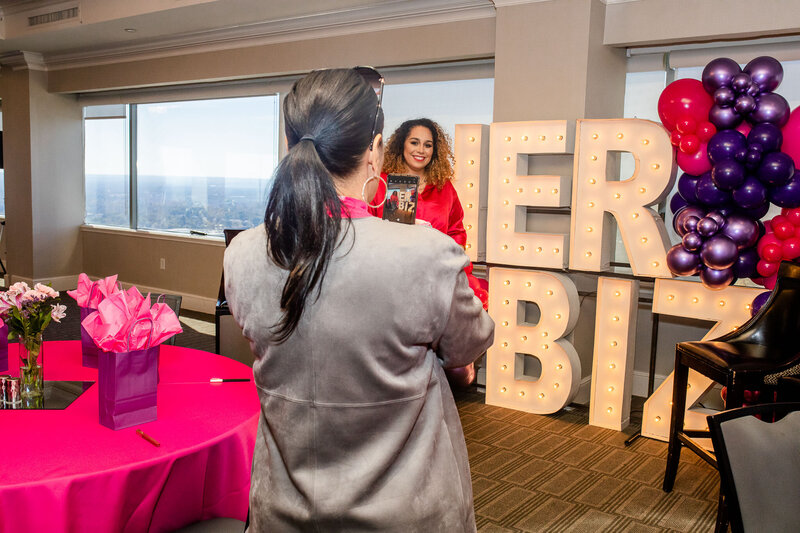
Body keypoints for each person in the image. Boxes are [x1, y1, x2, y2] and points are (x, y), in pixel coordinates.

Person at [224, 68, 494, 532]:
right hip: (406, 512)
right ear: (374, 150)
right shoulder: (425, 253)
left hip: (283, 511)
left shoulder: (243, 253)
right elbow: (469, 345)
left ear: (290, 145)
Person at [371, 118, 490, 387]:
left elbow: (457, 230)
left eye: (428, 145)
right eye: (414, 142)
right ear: (401, 144)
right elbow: (368, 226)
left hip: (437, 272)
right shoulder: (384, 182)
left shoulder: (444, 187)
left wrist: (449, 257)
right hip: (394, 273)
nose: (421, 150)